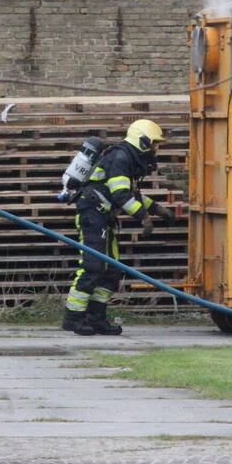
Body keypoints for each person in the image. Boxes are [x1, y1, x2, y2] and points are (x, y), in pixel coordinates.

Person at [62, 119, 174, 336]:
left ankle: (96, 318)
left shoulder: (129, 160)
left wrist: (159, 210)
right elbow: (120, 194)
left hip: (104, 218)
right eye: (154, 144)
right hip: (92, 216)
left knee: (112, 270)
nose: (156, 149)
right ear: (142, 141)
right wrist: (144, 218)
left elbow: (131, 194)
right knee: (93, 266)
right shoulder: (121, 158)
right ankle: (73, 318)